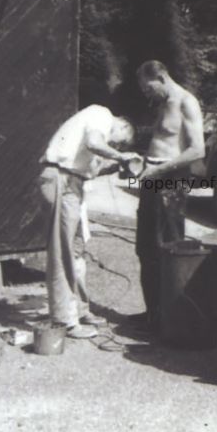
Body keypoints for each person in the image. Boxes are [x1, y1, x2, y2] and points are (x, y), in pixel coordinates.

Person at [39, 104, 137, 338]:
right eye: (121, 142)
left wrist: (116, 165)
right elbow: (94, 142)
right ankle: (64, 320)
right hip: (61, 178)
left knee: (76, 251)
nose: (116, 146)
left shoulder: (94, 130)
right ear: (123, 126)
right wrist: (121, 156)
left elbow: (90, 168)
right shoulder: (101, 114)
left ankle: (80, 310)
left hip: (72, 182)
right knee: (62, 251)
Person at [132, 60, 205, 334]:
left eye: (148, 87)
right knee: (145, 247)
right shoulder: (162, 103)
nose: (146, 93)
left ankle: (170, 317)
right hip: (153, 177)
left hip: (171, 181)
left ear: (161, 77)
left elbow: (197, 150)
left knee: (169, 246)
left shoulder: (187, 102)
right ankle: (153, 312)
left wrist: (159, 170)